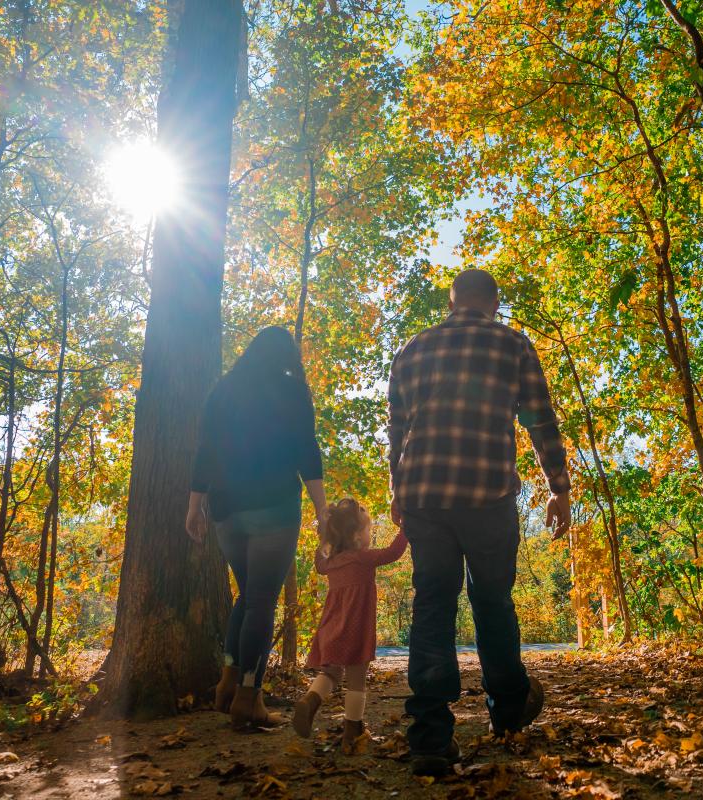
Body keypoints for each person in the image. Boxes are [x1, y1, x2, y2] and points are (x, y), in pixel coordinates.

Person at [387, 269, 572, 776]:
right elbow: (541, 419)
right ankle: (508, 712)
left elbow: (397, 427)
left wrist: (397, 489)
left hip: (425, 495)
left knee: (432, 606)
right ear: (494, 301)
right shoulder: (512, 345)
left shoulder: (413, 349)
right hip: (487, 497)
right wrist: (559, 487)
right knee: (492, 602)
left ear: (452, 302)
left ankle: (429, 735)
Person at [185, 326, 327, 732]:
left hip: (225, 509)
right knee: (262, 601)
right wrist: (321, 508)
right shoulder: (292, 390)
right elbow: (307, 449)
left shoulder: (223, 390)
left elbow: (205, 452)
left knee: (247, 597)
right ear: (286, 357)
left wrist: (194, 507)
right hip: (275, 506)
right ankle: (250, 697)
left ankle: (227, 684)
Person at [292, 498, 408, 753]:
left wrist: (323, 539)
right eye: (368, 530)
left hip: (331, 627)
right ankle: (352, 731)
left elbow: (319, 564)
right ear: (357, 535)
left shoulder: (331, 563)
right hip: (355, 628)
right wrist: (405, 525)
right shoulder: (364, 558)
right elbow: (394, 553)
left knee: (331, 673)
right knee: (356, 680)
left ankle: (311, 700)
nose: (370, 534)